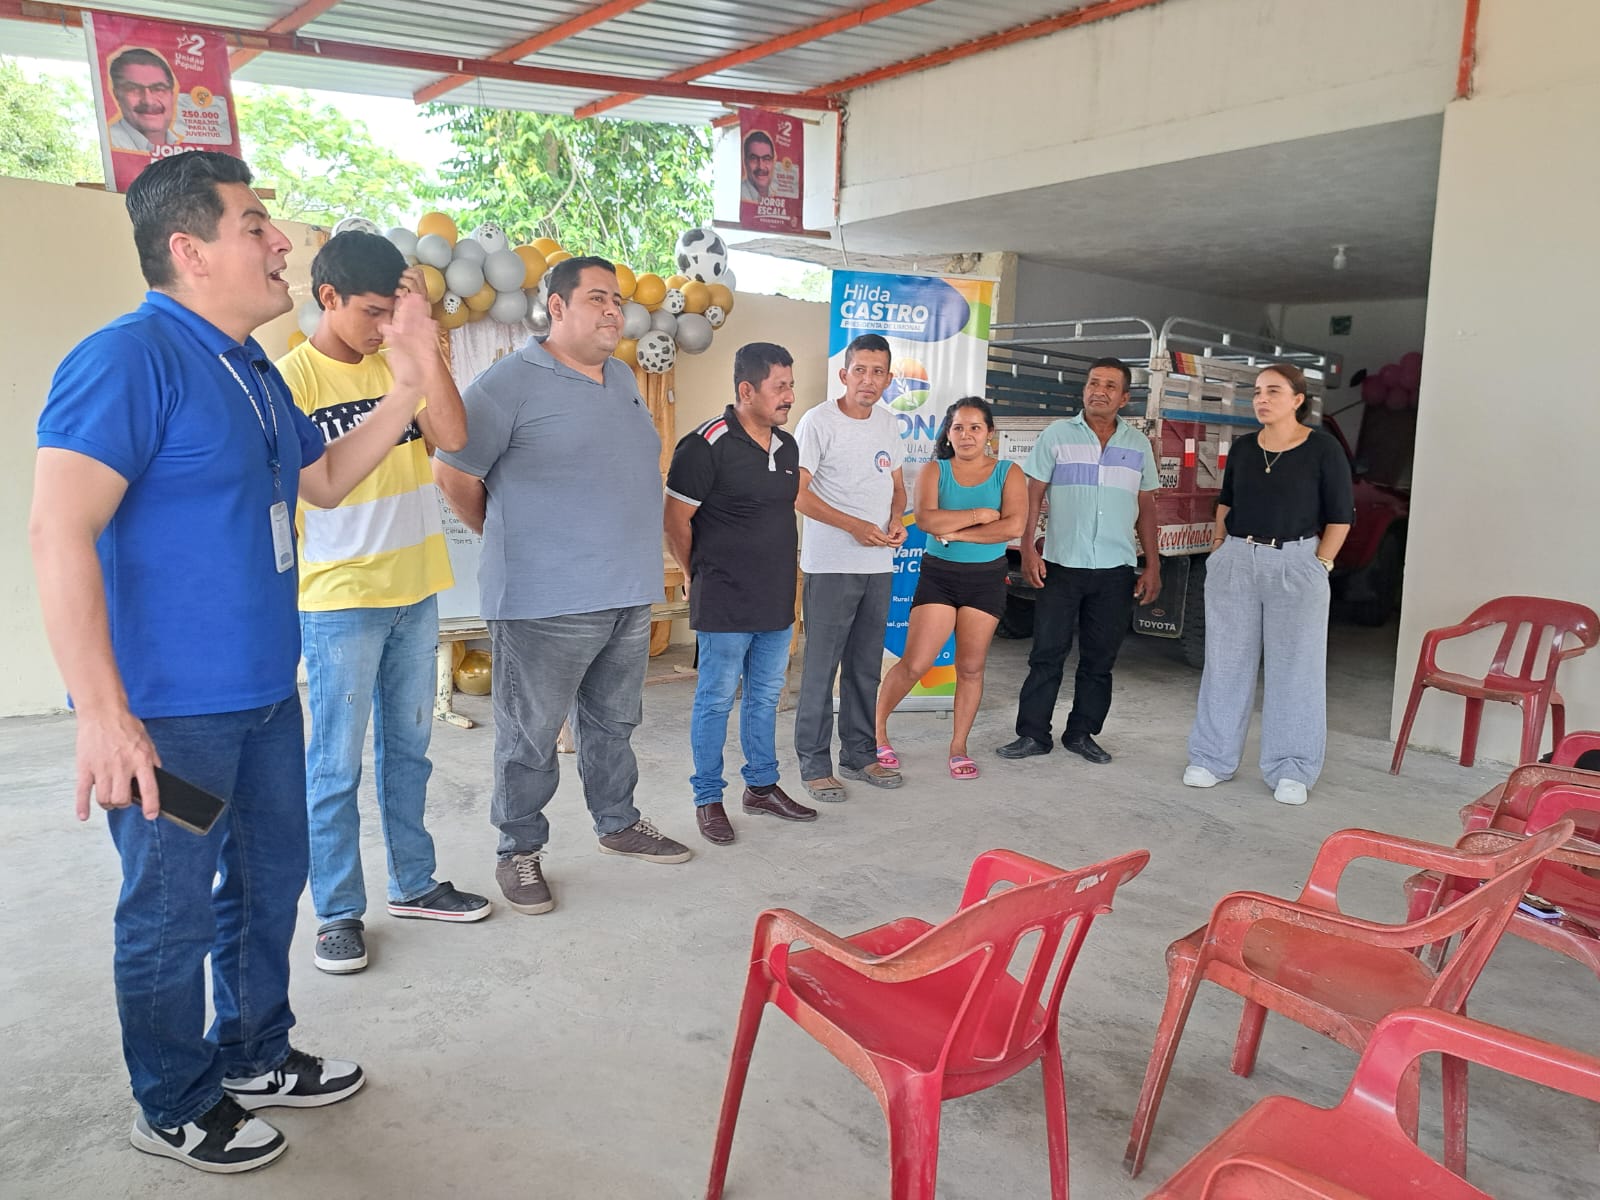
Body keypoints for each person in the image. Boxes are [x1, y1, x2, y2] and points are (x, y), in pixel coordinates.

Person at [30, 151, 425, 1173]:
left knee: (267, 878)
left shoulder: (248, 367)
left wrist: (410, 387)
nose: (281, 241)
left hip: (263, 697)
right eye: (255, 225)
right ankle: (171, 1101)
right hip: (170, 718)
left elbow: (323, 481)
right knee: (170, 908)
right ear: (190, 249)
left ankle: (254, 1051)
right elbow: (57, 531)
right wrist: (101, 714)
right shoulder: (128, 360)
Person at [433, 255, 692, 917]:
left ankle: (617, 822)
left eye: (618, 300)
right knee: (531, 735)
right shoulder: (508, 382)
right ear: (557, 307)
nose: (613, 310)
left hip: (626, 591)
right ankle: (518, 848)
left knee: (614, 723)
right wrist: (515, 537)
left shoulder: (623, 377)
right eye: (598, 298)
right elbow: (454, 475)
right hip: (542, 600)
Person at [278, 231, 487, 976]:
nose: (379, 326)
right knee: (334, 767)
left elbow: (453, 436)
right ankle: (337, 912)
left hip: (415, 588)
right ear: (327, 297)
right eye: (370, 312)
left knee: (409, 753)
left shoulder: (396, 357)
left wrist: (422, 346)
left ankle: (414, 883)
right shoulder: (293, 381)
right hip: (340, 600)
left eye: (389, 311)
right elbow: (317, 488)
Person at [664, 342, 816, 844]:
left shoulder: (787, 447)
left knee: (765, 696)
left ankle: (762, 787)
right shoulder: (705, 444)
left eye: (791, 385)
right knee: (715, 700)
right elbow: (675, 521)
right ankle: (708, 797)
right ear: (746, 390)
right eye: (780, 386)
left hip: (775, 598)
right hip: (724, 597)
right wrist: (696, 571)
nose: (789, 396)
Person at [1183, 363, 1352, 805]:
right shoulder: (1243, 448)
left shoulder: (1323, 449)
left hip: (1296, 562)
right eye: (1257, 391)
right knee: (1225, 663)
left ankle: (1292, 768)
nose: (1261, 399)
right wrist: (1218, 548)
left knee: (1296, 668)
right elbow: (1226, 502)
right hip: (1237, 559)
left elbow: (1341, 516)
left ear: (1297, 399)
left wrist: (1321, 564)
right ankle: (1212, 758)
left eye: (1273, 391)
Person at [997, 357, 1162, 765]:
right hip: (1061, 564)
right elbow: (1034, 493)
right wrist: (1028, 547)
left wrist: (1153, 565)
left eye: (1109, 386)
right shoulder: (1057, 435)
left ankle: (1082, 733)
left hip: (1115, 569)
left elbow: (1147, 507)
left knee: (1099, 659)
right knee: (1046, 653)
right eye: (1093, 383)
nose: (1098, 391)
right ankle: (1033, 734)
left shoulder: (1138, 445)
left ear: (1124, 398)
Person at [874, 398, 1025, 779]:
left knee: (971, 668)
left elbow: (1012, 527)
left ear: (989, 433)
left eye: (975, 427)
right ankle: (876, 733)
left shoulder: (1008, 472)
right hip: (939, 577)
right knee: (916, 663)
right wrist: (978, 516)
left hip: (986, 580)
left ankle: (958, 747)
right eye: (958, 427)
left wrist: (957, 532)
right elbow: (926, 520)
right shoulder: (934, 470)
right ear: (948, 433)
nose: (966, 435)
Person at [792, 332, 907, 801]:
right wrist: (854, 526)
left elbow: (898, 488)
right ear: (844, 374)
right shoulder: (818, 422)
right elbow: (797, 494)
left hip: (878, 564)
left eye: (878, 372)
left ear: (889, 378)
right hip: (831, 565)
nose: (868, 379)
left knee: (865, 666)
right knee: (821, 668)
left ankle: (859, 754)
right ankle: (814, 763)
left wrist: (897, 519)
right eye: (860, 370)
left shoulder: (888, 425)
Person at [106, 48, 179, 152]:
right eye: (134, 89)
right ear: (117, 95)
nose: (148, 101)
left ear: (172, 95)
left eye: (158, 89)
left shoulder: (185, 145)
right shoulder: (105, 143)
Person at [740, 130, 775, 203]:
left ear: (773, 162)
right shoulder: (738, 194)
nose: (761, 167)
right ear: (745, 162)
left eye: (766, 159)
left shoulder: (775, 193)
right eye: (754, 159)